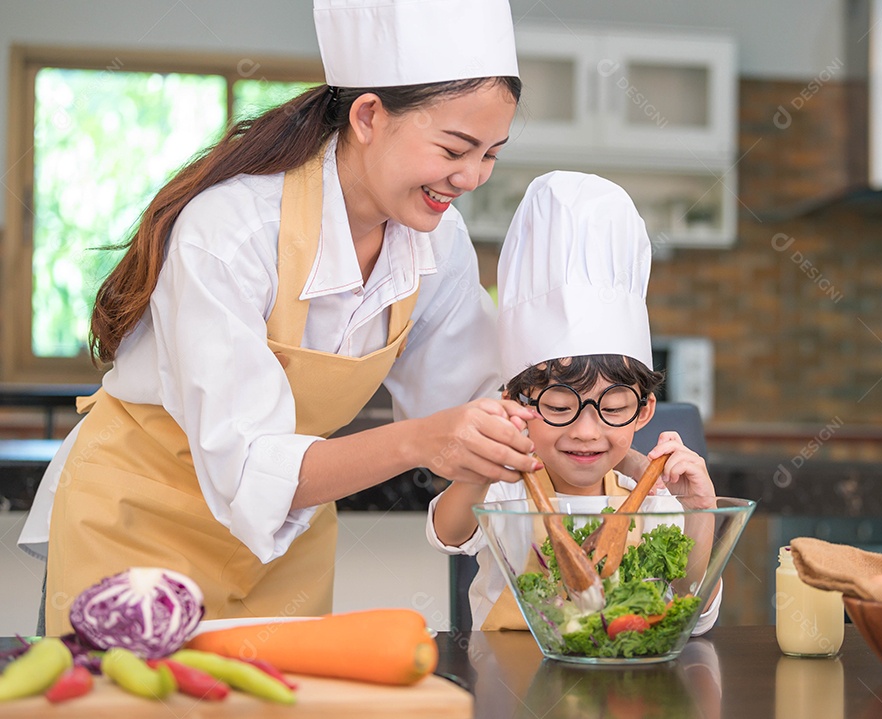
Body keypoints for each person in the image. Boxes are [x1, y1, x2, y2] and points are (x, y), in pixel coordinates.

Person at [20, 0, 547, 636]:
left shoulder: (438, 242)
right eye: (455, 148)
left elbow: (476, 400)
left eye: (491, 153)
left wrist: (602, 452)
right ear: (369, 116)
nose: (472, 177)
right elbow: (246, 465)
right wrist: (420, 440)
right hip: (138, 520)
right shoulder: (233, 229)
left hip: (284, 537)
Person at [426, 171, 720, 632]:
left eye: (614, 407)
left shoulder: (655, 505)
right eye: (560, 408)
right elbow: (448, 532)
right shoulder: (505, 492)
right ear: (518, 405)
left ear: (643, 410)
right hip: (509, 691)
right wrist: (485, 464)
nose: (586, 431)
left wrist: (700, 514)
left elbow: (691, 614)